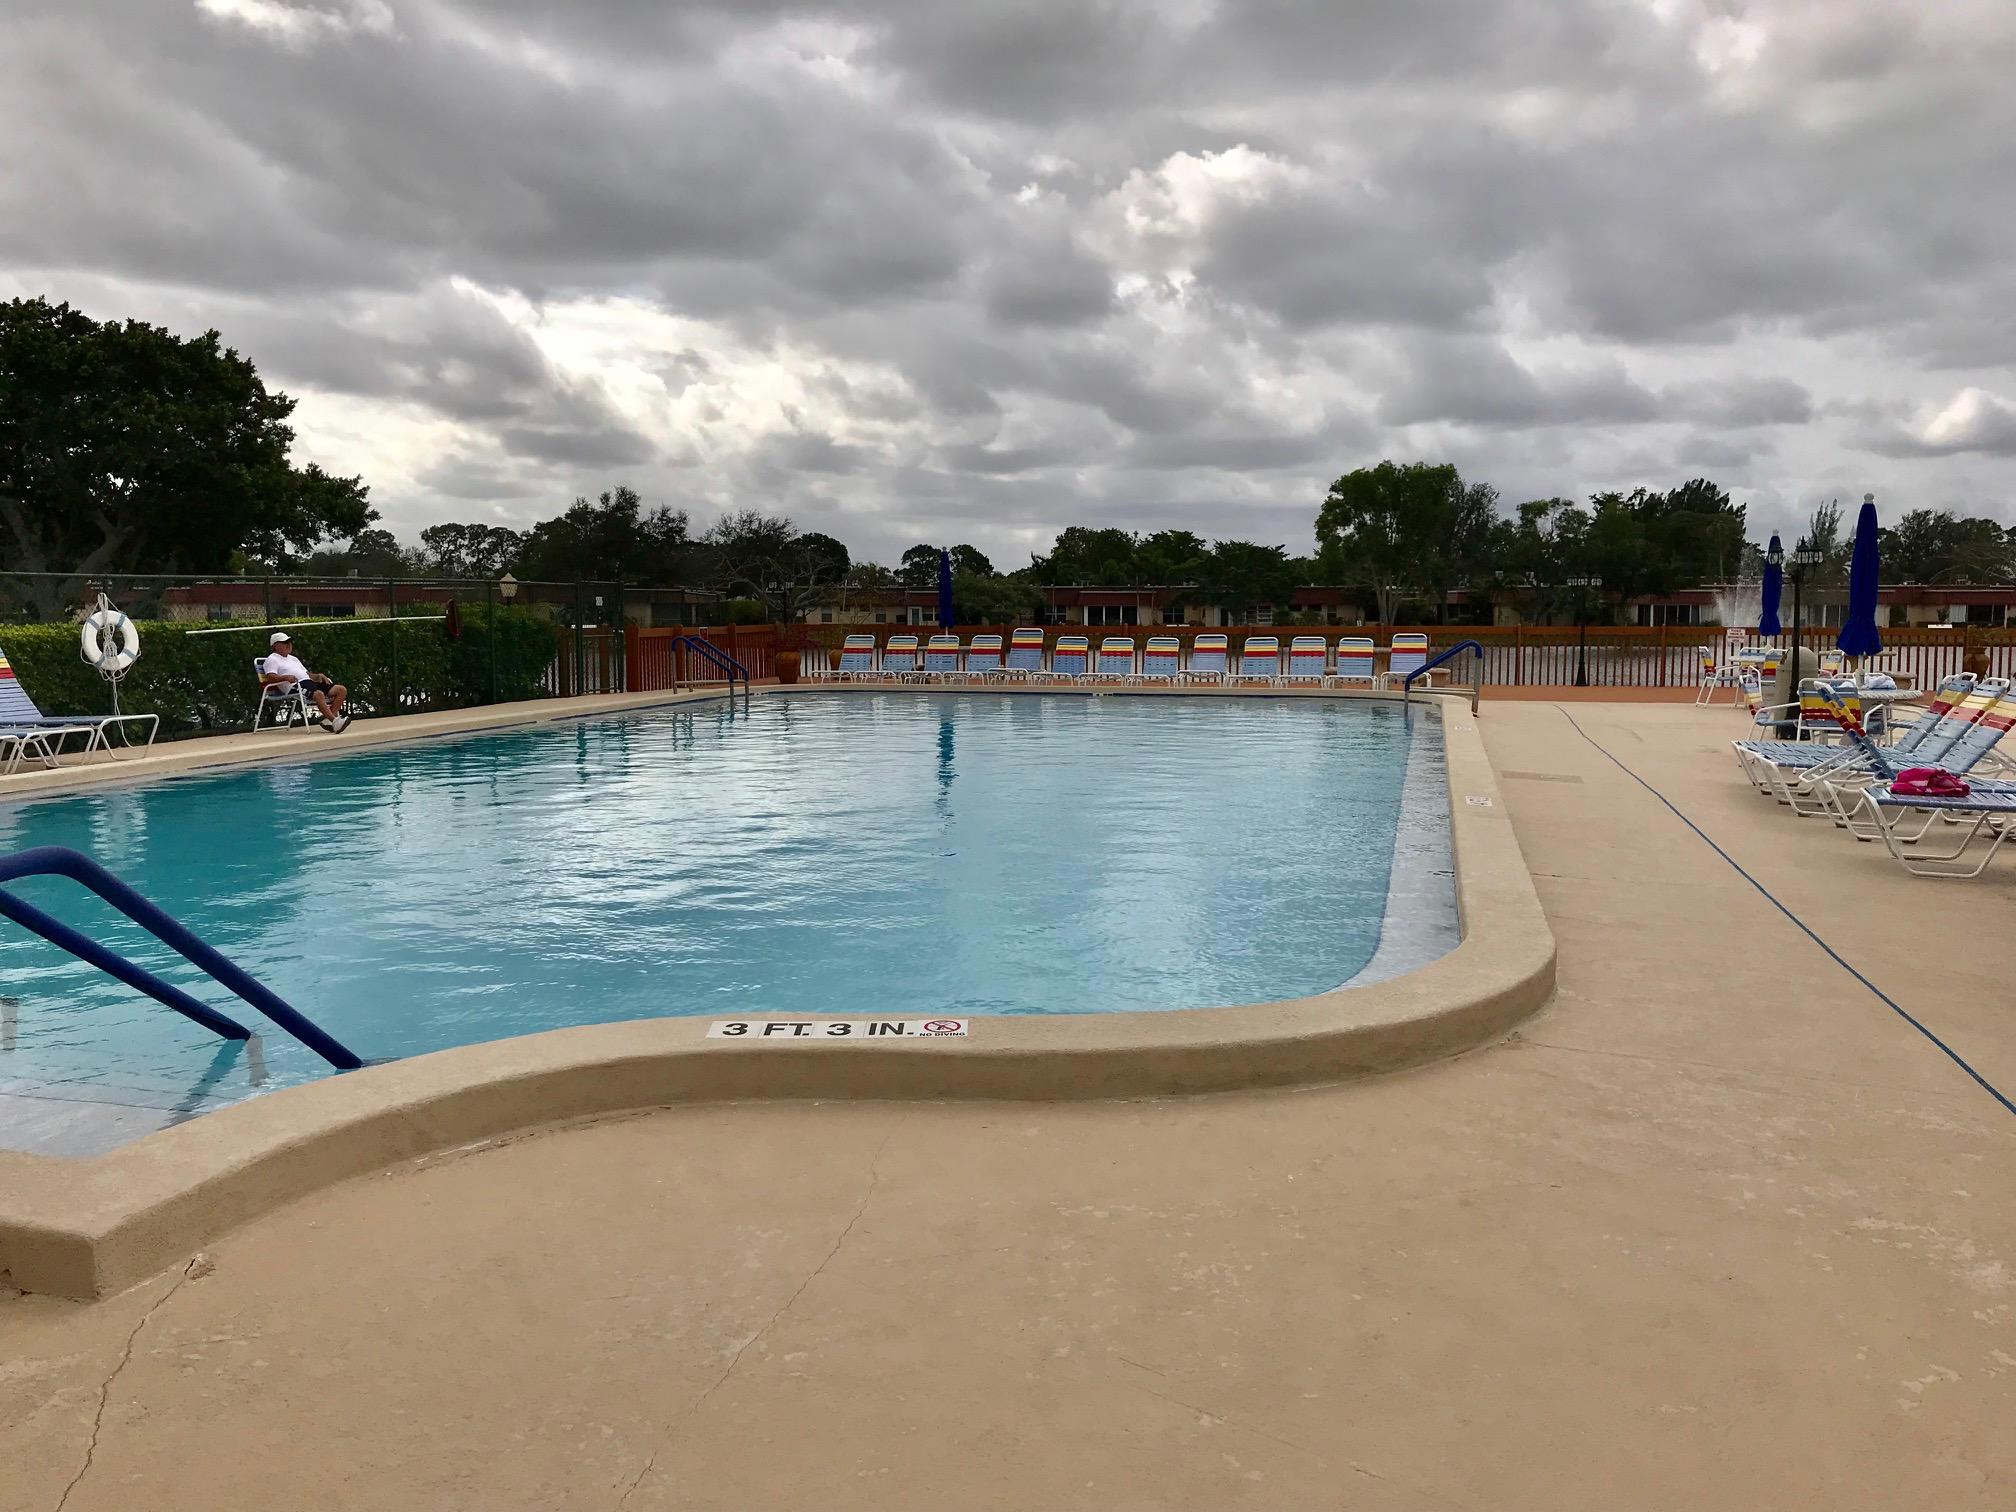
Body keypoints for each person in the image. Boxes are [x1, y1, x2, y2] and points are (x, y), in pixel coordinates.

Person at [261, 632, 351, 732]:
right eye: (284, 642)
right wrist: (285, 678)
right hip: (295, 685)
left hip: (309, 682)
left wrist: (318, 675)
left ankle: (329, 721)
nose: (288, 644)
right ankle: (335, 721)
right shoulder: (272, 659)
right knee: (318, 694)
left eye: (289, 642)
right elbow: (271, 677)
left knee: (341, 690)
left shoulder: (293, 659)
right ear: (275, 646)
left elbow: (307, 674)